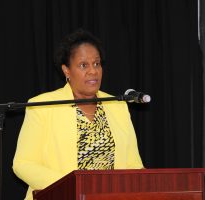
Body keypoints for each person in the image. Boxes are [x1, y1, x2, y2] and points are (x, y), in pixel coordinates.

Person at [12, 29, 143, 200]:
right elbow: (23, 164)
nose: (93, 71)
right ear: (66, 70)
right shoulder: (41, 105)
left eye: (97, 64)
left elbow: (134, 165)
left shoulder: (117, 105)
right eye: (83, 65)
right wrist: (70, 188)